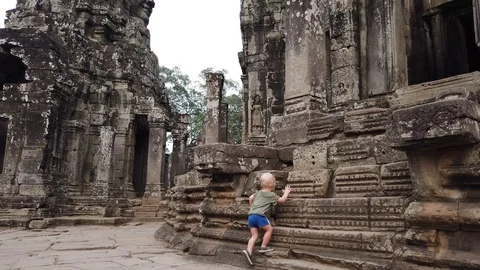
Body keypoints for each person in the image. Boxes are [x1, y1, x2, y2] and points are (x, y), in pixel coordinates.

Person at [242, 173, 292, 266]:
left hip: (251, 216)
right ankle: (263, 246)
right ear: (273, 184)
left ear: (261, 184)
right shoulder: (271, 195)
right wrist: (286, 193)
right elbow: (281, 200)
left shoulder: (258, 193)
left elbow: (250, 198)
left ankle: (248, 251)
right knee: (269, 229)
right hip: (260, 216)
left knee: (254, 236)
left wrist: (252, 207)